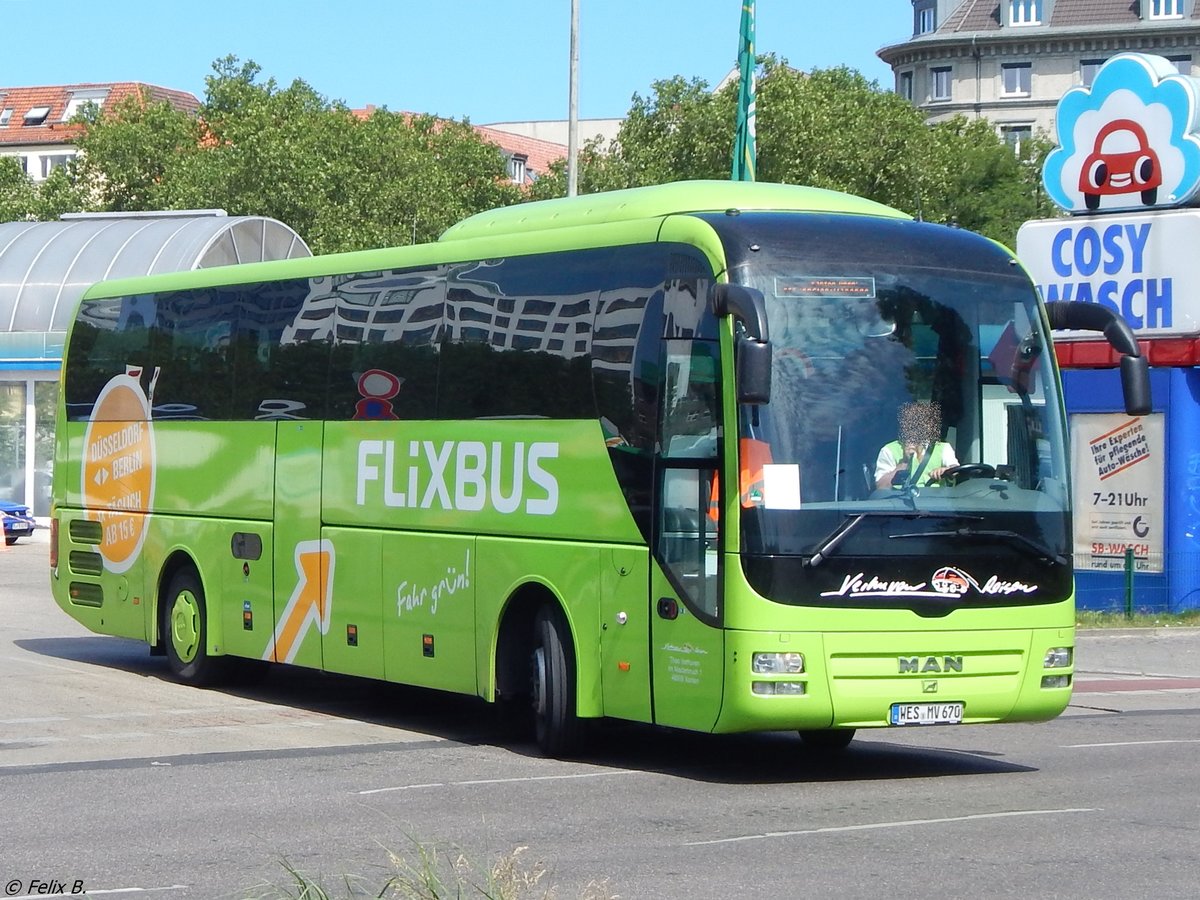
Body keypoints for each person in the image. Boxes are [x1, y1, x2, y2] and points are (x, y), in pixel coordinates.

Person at [874, 401, 959, 489]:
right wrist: (904, 462)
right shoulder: (889, 450)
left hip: (935, 500)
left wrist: (946, 471)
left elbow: (956, 470)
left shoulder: (943, 448)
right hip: (898, 501)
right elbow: (881, 487)